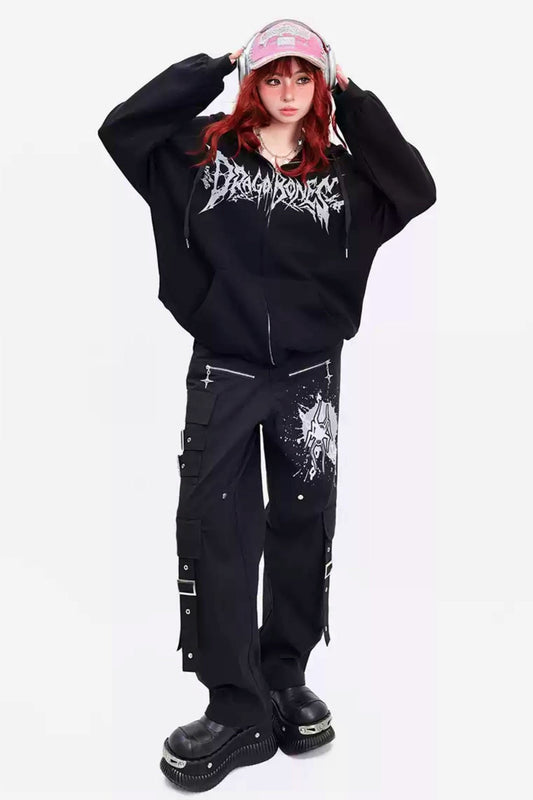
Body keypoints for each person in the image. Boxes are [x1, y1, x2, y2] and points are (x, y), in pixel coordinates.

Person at [97, 18, 436, 791]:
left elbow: (415, 188)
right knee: (216, 527)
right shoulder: (200, 156)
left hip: (310, 375)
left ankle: (284, 678)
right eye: (273, 76)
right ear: (253, 82)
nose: (288, 91)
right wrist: (215, 64)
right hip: (226, 369)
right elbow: (121, 129)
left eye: (303, 77)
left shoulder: (343, 175)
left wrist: (353, 96)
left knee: (302, 522)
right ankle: (235, 705)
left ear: (321, 86)